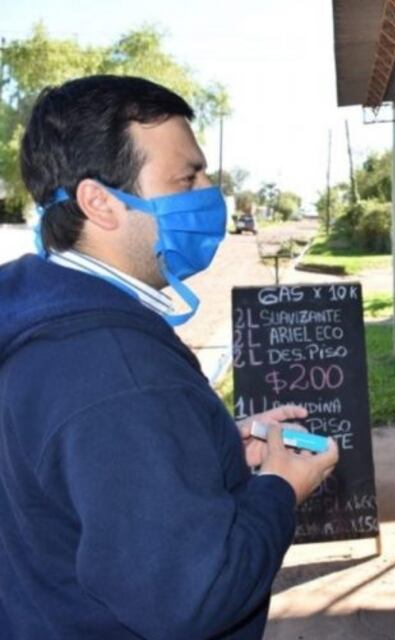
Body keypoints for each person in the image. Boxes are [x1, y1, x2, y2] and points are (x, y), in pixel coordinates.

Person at [0, 75, 339, 639]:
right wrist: (279, 489)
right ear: (99, 202)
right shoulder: (118, 372)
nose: (211, 192)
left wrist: (206, 445)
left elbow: (80, 482)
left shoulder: (41, 319)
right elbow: (197, 594)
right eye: (188, 177)